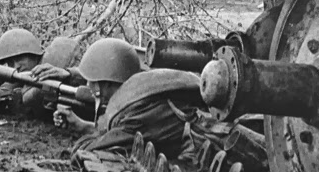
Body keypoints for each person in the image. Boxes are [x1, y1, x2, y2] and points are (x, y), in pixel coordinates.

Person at [55, 37, 210, 160]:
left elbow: (93, 147)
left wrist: (82, 140)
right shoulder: (143, 89)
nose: (88, 85)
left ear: (107, 83)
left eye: (92, 81)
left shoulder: (135, 112)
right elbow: (114, 133)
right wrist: (81, 125)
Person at [0, 28, 85, 119]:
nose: (16, 66)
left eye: (19, 58)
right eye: (11, 63)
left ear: (33, 54)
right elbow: (6, 87)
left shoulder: (53, 64)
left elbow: (87, 79)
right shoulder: (26, 75)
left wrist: (68, 75)